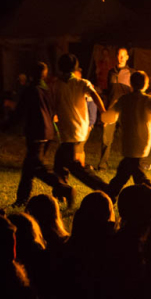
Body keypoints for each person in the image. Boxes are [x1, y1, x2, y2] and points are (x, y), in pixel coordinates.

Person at [101, 71, 151, 207]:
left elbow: (109, 117)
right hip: (142, 145)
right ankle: (108, 198)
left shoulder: (124, 100)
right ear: (146, 85)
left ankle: (107, 199)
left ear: (131, 84)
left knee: (129, 176)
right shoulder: (150, 100)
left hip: (129, 145)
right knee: (130, 175)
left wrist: (103, 115)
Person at [11, 62, 75, 207]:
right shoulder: (47, 90)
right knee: (29, 168)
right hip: (48, 132)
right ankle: (21, 199)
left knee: (36, 168)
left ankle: (65, 189)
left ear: (31, 74)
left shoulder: (31, 90)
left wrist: (6, 125)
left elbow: (20, 111)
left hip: (36, 132)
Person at [52, 53, 109, 195]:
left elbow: (53, 105)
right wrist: (103, 113)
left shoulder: (56, 85)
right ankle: (63, 191)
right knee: (61, 163)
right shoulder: (82, 83)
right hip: (79, 130)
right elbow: (95, 96)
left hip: (69, 131)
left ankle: (103, 188)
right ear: (75, 68)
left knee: (74, 167)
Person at [98, 47, 134, 170]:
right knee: (106, 138)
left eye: (124, 55)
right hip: (112, 109)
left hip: (125, 110)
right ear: (116, 57)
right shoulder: (111, 72)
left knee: (129, 137)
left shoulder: (132, 73)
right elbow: (110, 91)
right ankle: (103, 164)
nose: (121, 57)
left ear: (127, 57)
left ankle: (132, 164)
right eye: (119, 55)